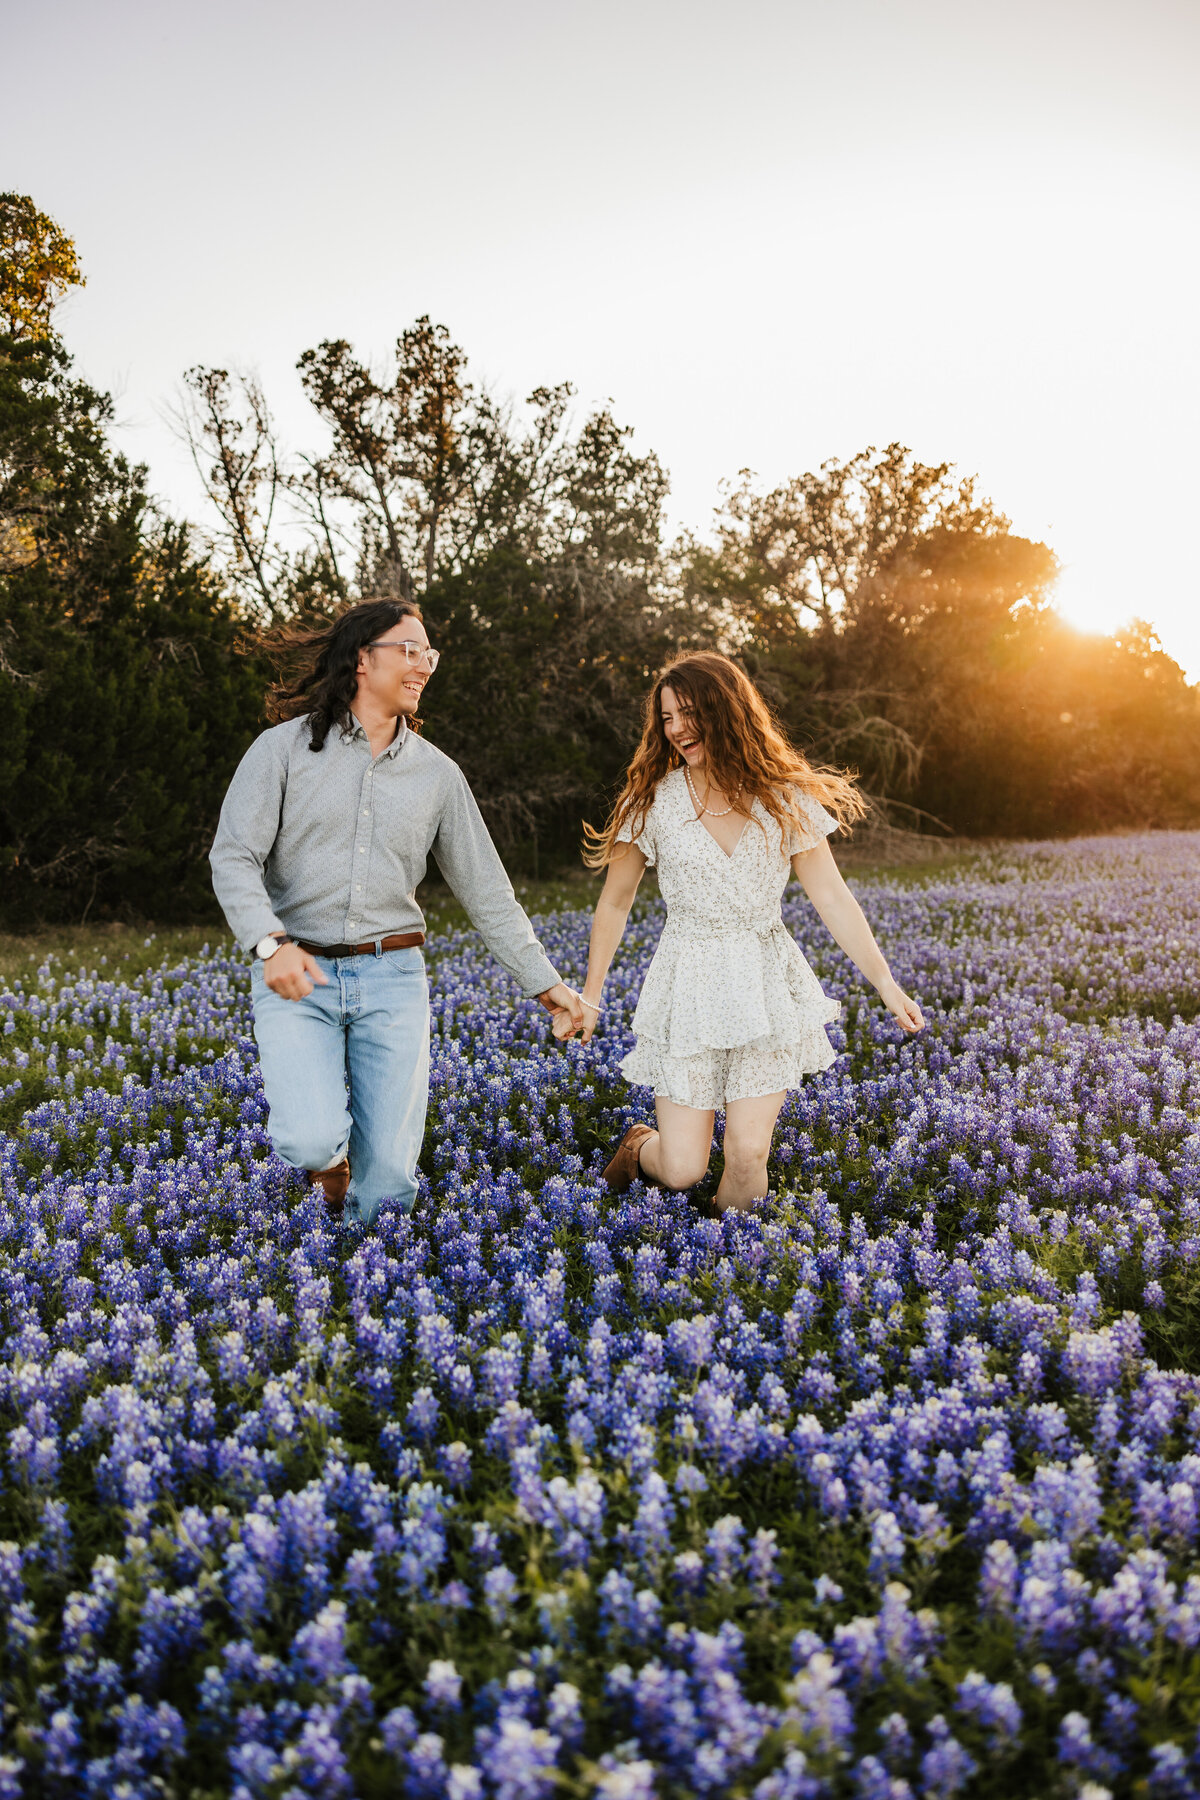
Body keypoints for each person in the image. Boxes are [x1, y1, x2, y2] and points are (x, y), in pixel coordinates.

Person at [210, 598, 583, 1226]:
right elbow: (233, 857)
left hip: (394, 977)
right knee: (304, 1136)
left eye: (429, 655)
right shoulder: (281, 751)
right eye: (410, 651)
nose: (424, 666)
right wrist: (269, 943)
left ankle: (356, 1296)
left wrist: (544, 983)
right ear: (363, 658)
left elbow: (488, 892)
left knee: (386, 1191)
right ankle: (329, 1169)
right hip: (300, 972)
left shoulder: (438, 774)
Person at [573, 652, 923, 1211]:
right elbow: (614, 903)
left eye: (689, 713)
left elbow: (832, 896)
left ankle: (725, 1269)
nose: (678, 729)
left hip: (764, 982)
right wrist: (590, 994)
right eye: (666, 718)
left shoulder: (785, 800)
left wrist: (885, 983)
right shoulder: (653, 802)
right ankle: (641, 1148)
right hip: (689, 983)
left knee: (747, 1154)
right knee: (684, 1169)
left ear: (727, 711)